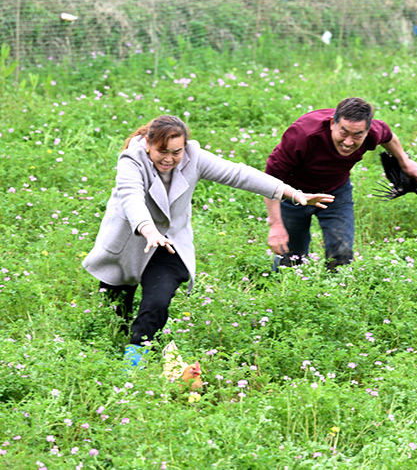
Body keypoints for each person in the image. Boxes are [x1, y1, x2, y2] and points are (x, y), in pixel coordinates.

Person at [82, 116, 333, 367]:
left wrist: (293, 194)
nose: (169, 158)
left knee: (156, 302)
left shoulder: (195, 157)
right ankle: (106, 357)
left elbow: (239, 174)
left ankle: (134, 365)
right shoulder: (131, 159)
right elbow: (130, 198)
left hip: (169, 243)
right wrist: (148, 230)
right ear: (148, 144)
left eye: (176, 151)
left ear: (185, 146)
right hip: (129, 241)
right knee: (114, 315)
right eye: (162, 151)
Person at [264, 97, 417, 271]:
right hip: (293, 196)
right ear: (333, 123)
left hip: (335, 193)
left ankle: (335, 292)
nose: (348, 142)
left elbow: (389, 137)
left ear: (367, 130)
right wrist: (276, 225)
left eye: (357, 135)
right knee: (291, 259)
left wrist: (404, 162)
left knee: (342, 254)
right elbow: (270, 180)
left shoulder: (373, 132)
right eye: (343, 132)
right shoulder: (303, 135)